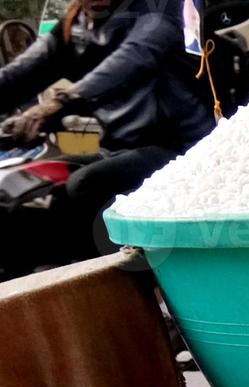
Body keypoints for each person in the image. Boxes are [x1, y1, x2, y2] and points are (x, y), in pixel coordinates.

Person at [0, 0, 213, 276]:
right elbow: (21, 73)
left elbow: (135, 58)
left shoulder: (159, 9)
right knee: (27, 190)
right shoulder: (76, 23)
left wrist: (56, 104)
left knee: (85, 185)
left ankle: (104, 282)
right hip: (121, 148)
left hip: (183, 147)